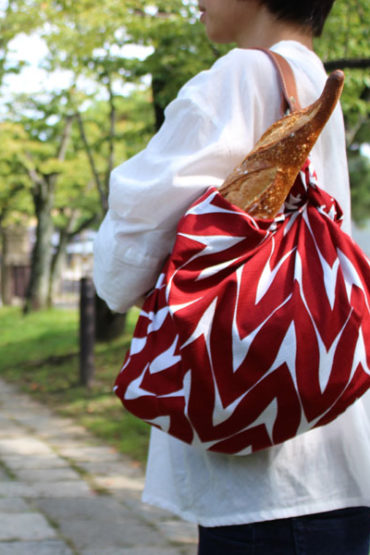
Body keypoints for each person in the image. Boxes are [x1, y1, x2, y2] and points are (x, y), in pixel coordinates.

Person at [93, 1, 370, 553]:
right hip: (335, 462)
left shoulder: (242, 74)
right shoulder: (315, 81)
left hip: (267, 490)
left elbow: (120, 270)